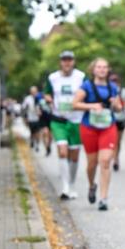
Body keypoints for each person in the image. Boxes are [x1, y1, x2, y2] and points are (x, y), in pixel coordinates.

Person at [73, 58, 123, 211]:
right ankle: (91, 185)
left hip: (108, 127)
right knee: (92, 164)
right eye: (99, 67)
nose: (102, 70)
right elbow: (74, 104)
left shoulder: (113, 87)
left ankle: (103, 198)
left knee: (105, 161)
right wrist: (91, 106)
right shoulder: (86, 86)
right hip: (89, 128)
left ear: (108, 70)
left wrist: (115, 104)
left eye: (105, 67)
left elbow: (120, 108)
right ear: (93, 70)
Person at [44, 50, 86, 200]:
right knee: (62, 151)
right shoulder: (53, 78)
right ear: (60, 62)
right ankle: (65, 187)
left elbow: (87, 94)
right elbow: (47, 93)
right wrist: (48, 99)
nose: (67, 62)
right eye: (64, 60)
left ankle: (72, 184)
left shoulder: (81, 77)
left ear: (73, 61)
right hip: (58, 120)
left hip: (76, 120)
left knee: (74, 156)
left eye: (69, 60)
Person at [22, 85, 42, 151]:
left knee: (38, 132)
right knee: (32, 132)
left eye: (35, 91)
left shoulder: (40, 98)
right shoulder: (28, 99)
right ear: (30, 92)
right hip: (30, 118)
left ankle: (37, 145)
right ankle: (32, 141)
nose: (34, 92)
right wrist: (25, 118)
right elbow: (24, 108)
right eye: (32, 91)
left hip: (38, 118)